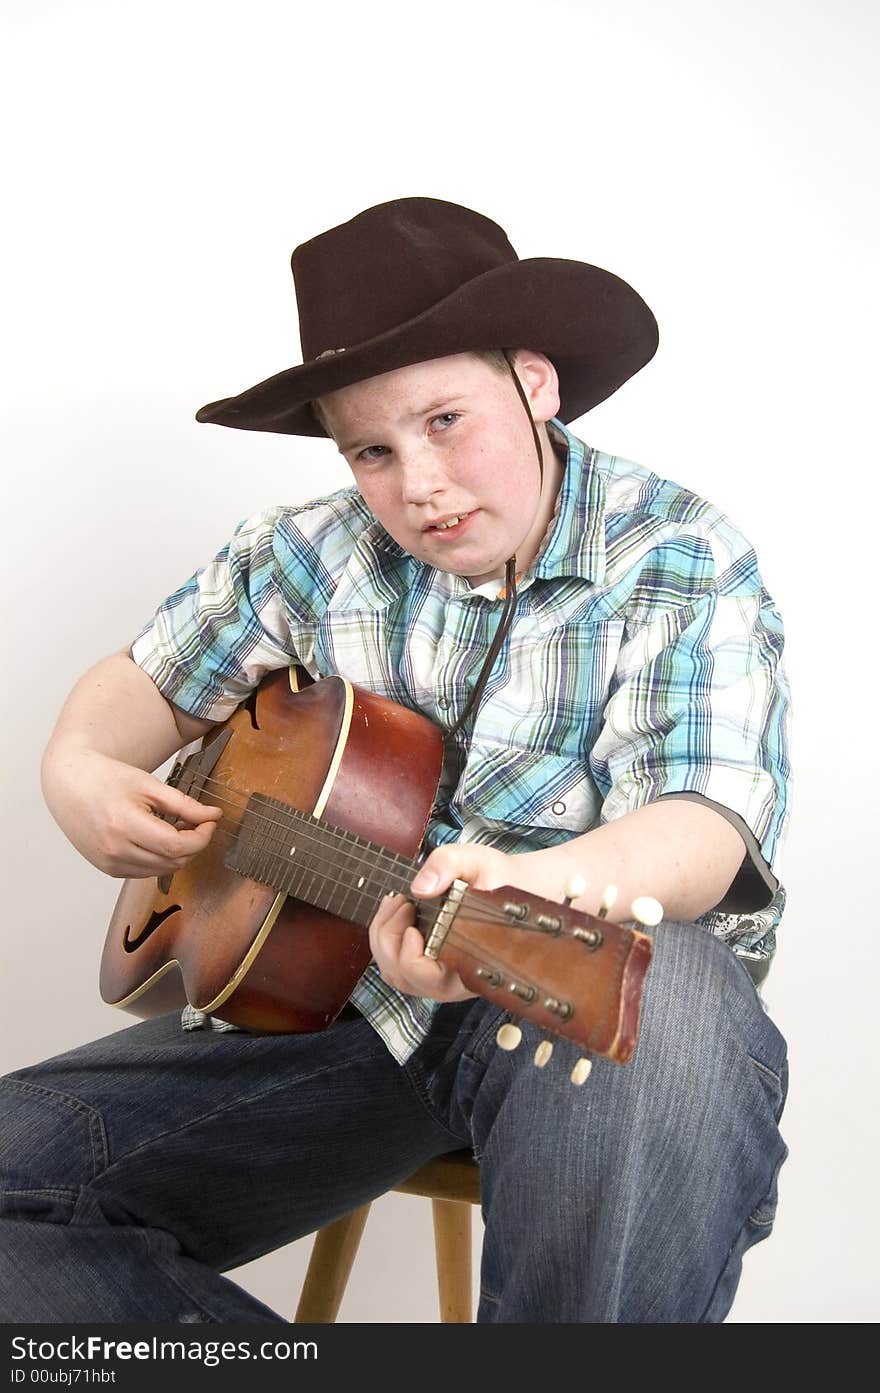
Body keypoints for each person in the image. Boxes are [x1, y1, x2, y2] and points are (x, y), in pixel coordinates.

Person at [0, 197, 790, 1323]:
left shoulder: (676, 554)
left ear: (536, 383)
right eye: (371, 448)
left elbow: (705, 822)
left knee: (663, 1002)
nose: (415, 483)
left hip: (575, 1006)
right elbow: (142, 685)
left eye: (445, 422)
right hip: (339, 1023)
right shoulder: (304, 551)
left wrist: (540, 882)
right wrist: (74, 764)